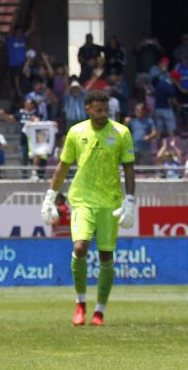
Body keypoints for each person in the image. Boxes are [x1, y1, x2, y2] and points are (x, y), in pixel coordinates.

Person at [41, 90, 136, 327]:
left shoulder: (121, 132)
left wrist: (131, 199)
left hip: (110, 202)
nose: (104, 114)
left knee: (106, 255)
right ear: (88, 109)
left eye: (107, 110)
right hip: (82, 199)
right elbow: (63, 166)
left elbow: (129, 168)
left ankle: (99, 312)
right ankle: (80, 303)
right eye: (99, 110)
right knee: (81, 247)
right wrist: (50, 196)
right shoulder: (76, 132)